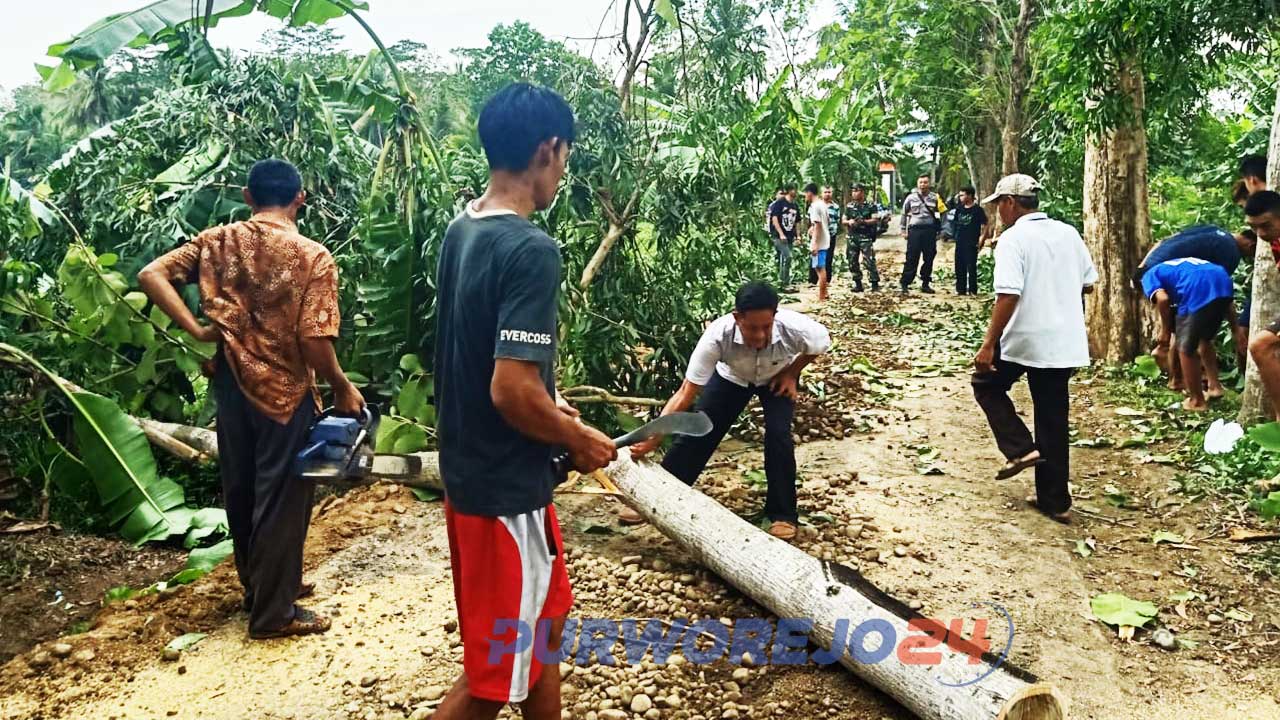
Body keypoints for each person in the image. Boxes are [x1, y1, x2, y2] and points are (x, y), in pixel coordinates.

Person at [432, 83, 617, 720]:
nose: (562, 172)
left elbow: (485, 358)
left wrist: (557, 410)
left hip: (479, 478)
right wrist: (576, 439)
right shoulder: (530, 249)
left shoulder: (464, 229)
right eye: (565, 157)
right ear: (548, 148)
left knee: (544, 636)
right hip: (502, 495)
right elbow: (509, 390)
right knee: (493, 681)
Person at [138, 158, 361, 639]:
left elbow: (152, 275)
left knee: (242, 494)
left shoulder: (215, 242)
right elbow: (314, 340)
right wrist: (342, 385)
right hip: (284, 395)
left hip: (231, 389)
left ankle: (262, 589)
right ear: (299, 198)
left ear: (247, 196)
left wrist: (197, 330)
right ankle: (272, 615)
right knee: (283, 499)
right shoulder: (312, 257)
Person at [626, 282, 831, 540]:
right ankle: (657, 498)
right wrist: (654, 437)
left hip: (777, 376)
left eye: (766, 327)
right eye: (751, 328)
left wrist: (792, 373)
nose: (759, 336)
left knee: (779, 436)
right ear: (737, 318)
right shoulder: (716, 336)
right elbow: (685, 393)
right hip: (732, 378)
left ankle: (782, 513)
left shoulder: (797, 329)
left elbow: (821, 344)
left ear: (775, 317)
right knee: (700, 430)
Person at [971, 174, 1097, 525]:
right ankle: (1056, 502)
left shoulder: (1014, 239)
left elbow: (1008, 293)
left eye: (999, 204)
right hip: (1064, 340)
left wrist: (988, 343)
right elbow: (1088, 284)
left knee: (986, 384)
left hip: (1025, 338)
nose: (998, 211)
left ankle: (1021, 449)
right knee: (1053, 417)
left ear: (1011, 203)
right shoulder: (1068, 233)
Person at [1132, 225, 1255, 384]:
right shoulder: (1230, 250)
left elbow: (1163, 241)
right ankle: (1193, 381)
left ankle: (1182, 381)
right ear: (1251, 246)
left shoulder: (1213, 229)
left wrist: (1143, 266)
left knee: (1184, 334)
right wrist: (1235, 328)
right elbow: (1220, 286)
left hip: (1186, 282)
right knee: (1194, 337)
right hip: (1193, 285)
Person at [1142, 258, 1239, 410]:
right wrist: (1236, 328)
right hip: (1222, 280)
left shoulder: (1148, 276)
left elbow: (1162, 299)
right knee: (1205, 340)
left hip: (1196, 289)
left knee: (1185, 348)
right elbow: (1228, 304)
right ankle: (1215, 387)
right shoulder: (1172, 265)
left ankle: (1197, 401)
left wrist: (1165, 334)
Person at [1245, 191, 1280, 416]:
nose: (1261, 234)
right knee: (1260, 346)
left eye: (1266, 226)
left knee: (1261, 345)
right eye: (1254, 227)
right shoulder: (1276, 242)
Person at [900, 174, 946, 294]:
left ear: (929, 184)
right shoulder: (910, 198)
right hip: (914, 231)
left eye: (925, 182)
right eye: (921, 182)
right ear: (917, 184)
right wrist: (903, 230)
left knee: (929, 257)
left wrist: (942, 230)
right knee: (911, 257)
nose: (923, 185)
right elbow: (904, 214)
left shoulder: (935, 198)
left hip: (929, 231)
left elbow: (943, 213)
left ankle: (925, 283)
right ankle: (905, 283)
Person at [843, 184, 883, 292]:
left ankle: (874, 283)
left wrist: (864, 221)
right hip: (852, 237)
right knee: (852, 261)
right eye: (853, 191)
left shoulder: (870, 205)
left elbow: (875, 219)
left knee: (869, 260)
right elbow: (843, 220)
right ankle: (858, 284)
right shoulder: (849, 206)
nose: (855, 193)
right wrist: (849, 222)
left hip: (865, 236)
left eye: (857, 190)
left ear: (862, 192)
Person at [951, 186, 988, 295]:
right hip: (960, 241)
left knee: (971, 266)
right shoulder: (959, 209)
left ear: (970, 195)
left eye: (962, 195)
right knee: (959, 265)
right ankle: (960, 289)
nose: (960, 197)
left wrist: (982, 239)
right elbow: (955, 223)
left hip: (972, 241)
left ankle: (972, 289)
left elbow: (986, 225)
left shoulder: (977, 210)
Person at [768, 185, 800, 289]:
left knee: (784, 259)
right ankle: (784, 283)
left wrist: (798, 236)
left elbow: (797, 222)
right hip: (778, 236)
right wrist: (781, 234)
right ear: (789, 191)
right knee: (788, 257)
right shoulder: (779, 203)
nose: (796, 192)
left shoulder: (795, 205)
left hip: (790, 236)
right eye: (794, 190)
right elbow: (775, 219)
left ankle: (783, 282)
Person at [804, 182, 831, 301]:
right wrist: (812, 228)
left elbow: (818, 224)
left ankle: (822, 295)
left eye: (805, 193)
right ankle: (825, 292)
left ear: (810, 193)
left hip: (820, 242)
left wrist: (814, 242)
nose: (805, 196)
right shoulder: (822, 204)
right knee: (818, 267)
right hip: (825, 239)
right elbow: (826, 221)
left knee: (820, 268)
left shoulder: (815, 206)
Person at [823, 186, 840, 282]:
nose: (827, 194)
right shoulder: (816, 205)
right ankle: (813, 280)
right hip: (819, 235)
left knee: (829, 257)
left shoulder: (836, 207)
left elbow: (837, 220)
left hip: (831, 235)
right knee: (816, 257)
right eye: (825, 192)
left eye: (829, 192)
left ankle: (827, 279)